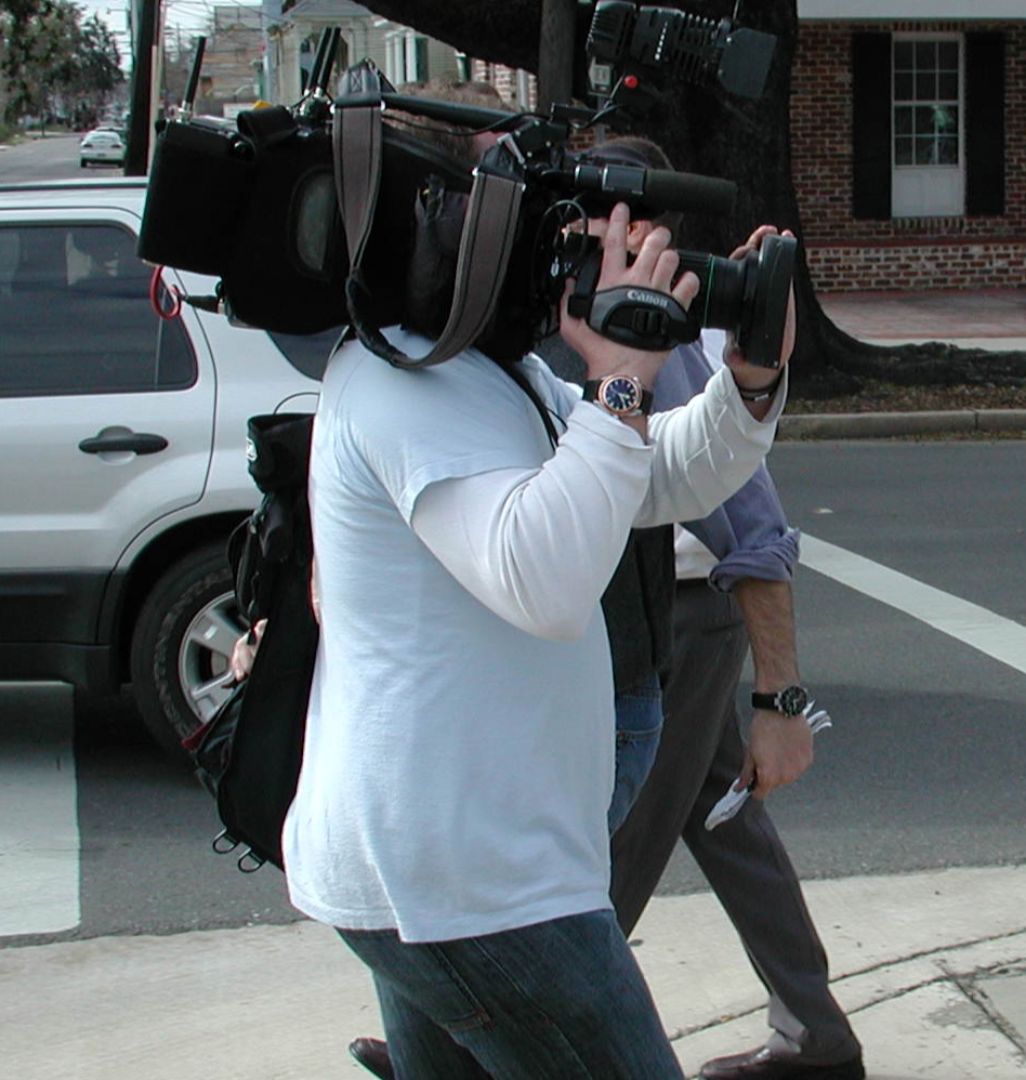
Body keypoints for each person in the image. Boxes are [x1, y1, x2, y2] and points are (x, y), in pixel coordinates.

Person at [286, 157, 794, 1080]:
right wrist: (626, 377)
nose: (581, 259)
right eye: (558, 236)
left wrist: (748, 380)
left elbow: (656, 472)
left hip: (461, 867)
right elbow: (546, 580)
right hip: (473, 883)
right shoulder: (405, 381)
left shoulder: (488, 372)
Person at [606, 321, 863, 1080]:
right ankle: (815, 1032)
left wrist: (781, 702)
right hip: (638, 610)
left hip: (678, 612)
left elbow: (754, 523)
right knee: (725, 820)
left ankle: (489, 1039)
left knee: (614, 845)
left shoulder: (645, 331)